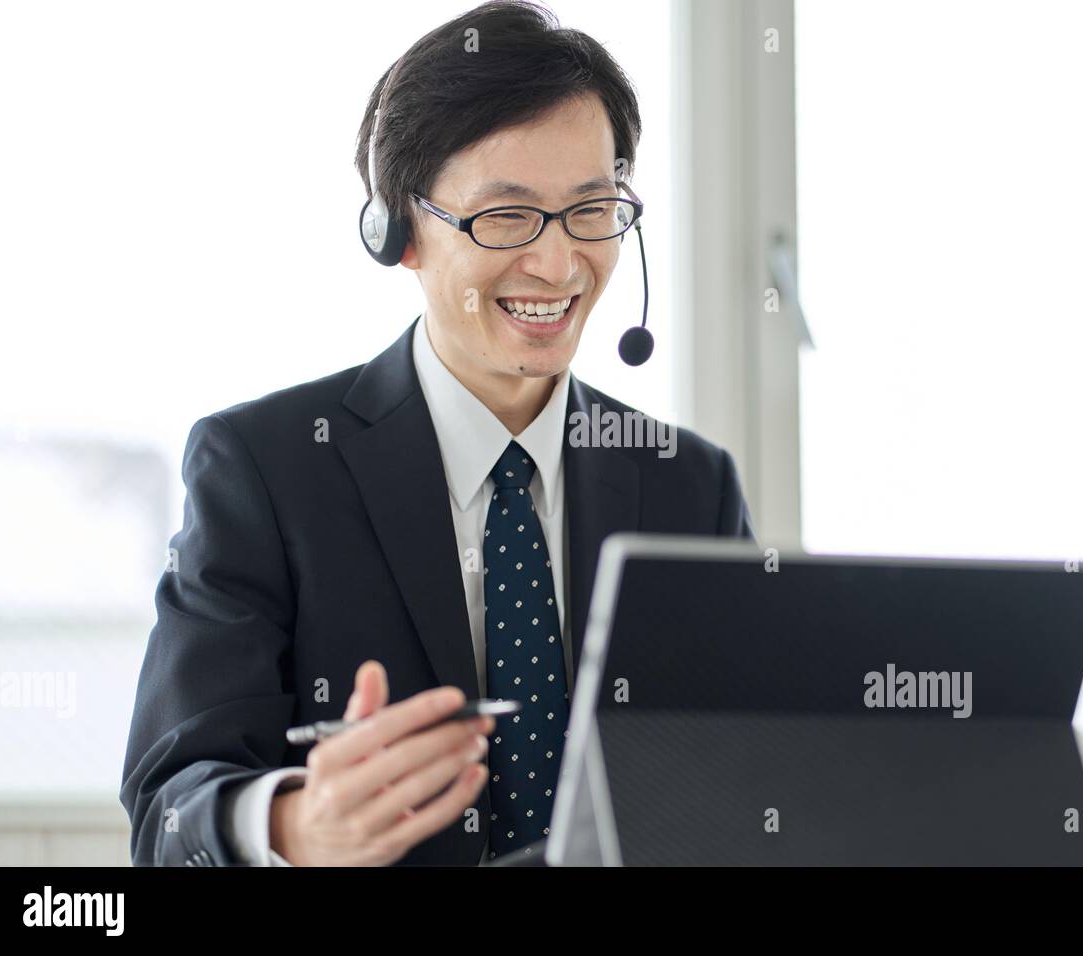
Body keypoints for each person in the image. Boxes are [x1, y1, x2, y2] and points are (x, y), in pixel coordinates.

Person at [120, 0, 752, 867]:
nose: (558, 264)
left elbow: (744, 784)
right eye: (506, 217)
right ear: (399, 233)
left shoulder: (691, 485)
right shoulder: (264, 471)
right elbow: (169, 811)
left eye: (590, 208)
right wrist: (293, 826)